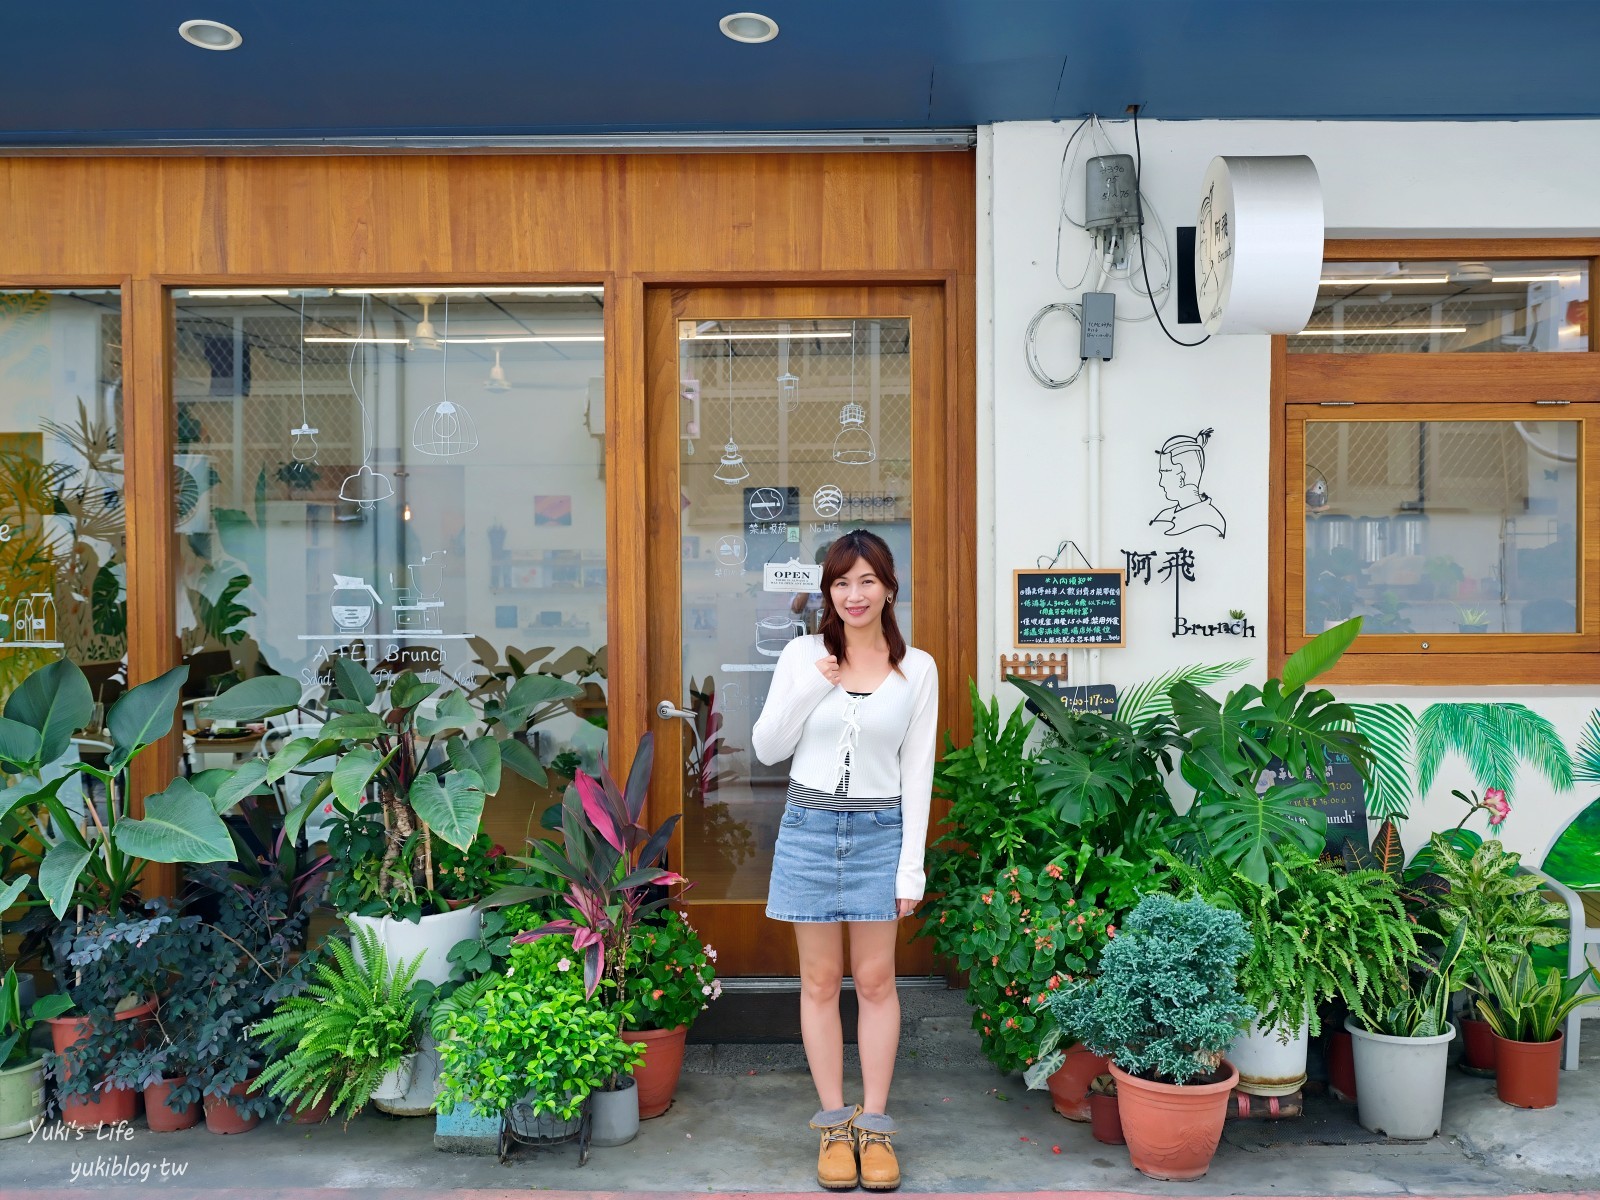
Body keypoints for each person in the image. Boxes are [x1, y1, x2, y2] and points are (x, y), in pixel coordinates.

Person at [752, 529, 938, 1193]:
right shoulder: (804, 654)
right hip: (808, 827)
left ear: (888, 587)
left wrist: (908, 869)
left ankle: (877, 1126)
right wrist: (812, 686)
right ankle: (834, 1126)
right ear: (828, 592)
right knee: (821, 983)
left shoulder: (917, 668)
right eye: (841, 582)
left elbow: (917, 774)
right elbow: (769, 747)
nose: (854, 595)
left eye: (866, 581)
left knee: (878, 980)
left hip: (880, 832)